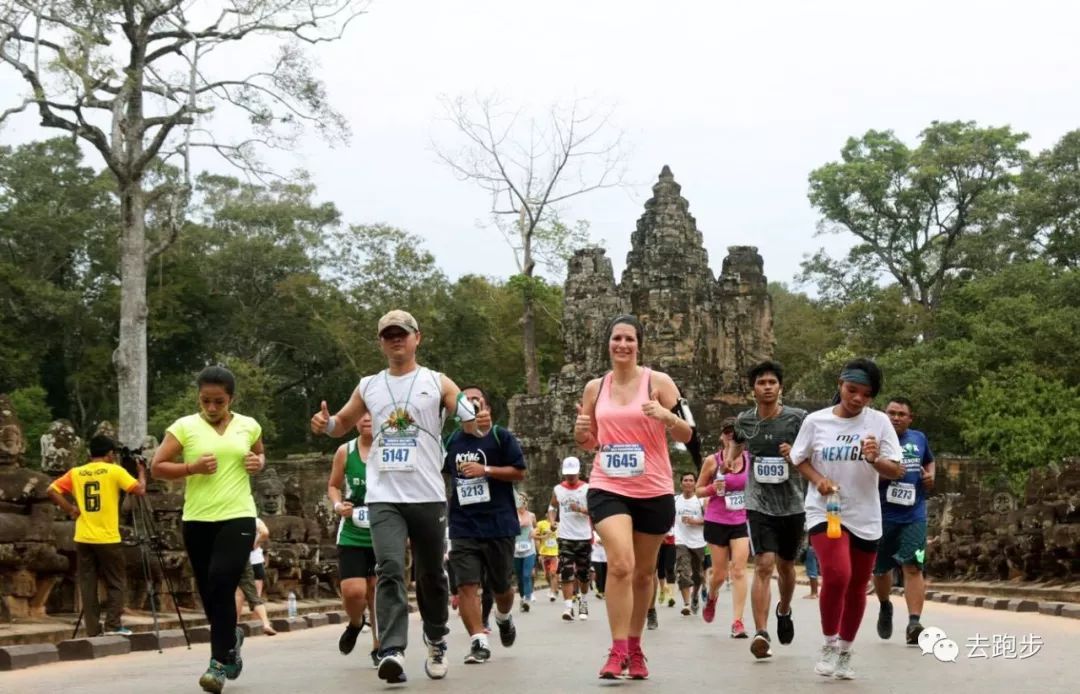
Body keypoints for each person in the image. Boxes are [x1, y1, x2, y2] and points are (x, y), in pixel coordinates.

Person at [310, 309, 479, 684]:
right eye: (388, 335)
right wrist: (325, 425)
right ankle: (392, 650)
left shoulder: (435, 381)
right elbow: (341, 423)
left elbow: (465, 415)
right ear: (380, 342)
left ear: (417, 338)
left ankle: (436, 640)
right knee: (388, 569)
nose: (396, 340)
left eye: (402, 333)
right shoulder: (369, 384)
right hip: (383, 495)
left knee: (431, 573)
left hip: (427, 495)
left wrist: (471, 414)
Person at [574, 314, 693, 680]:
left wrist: (665, 416)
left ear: (639, 344)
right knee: (621, 563)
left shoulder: (660, 382)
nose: (622, 345)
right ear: (608, 344)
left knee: (643, 574)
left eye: (629, 339)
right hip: (608, 485)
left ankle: (636, 647)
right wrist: (580, 433)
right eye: (616, 339)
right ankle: (617, 649)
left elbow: (689, 435)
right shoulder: (595, 388)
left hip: (653, 487)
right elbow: (590, 441)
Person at [151, 365, 266, 693]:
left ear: (231, 398)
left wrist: (259, 464)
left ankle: (217, 666)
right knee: (209, 591)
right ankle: (231, 639)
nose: (212, 408)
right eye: (206, 402)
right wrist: (191, 467)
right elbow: (157, 467)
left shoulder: (249, 425)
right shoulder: (184, 427)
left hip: (238, 515)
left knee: (222, 579)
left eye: (219, 401)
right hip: (198, 519)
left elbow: (259, 456)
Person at [790, 358, 904, 680]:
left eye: (865, 395)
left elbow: (896, 470)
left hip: (865, 514)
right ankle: (828, 643)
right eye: (852, 390)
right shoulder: (816, 421)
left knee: (856, 585)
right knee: (838, 574)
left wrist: (874, 458)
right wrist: (818, 481)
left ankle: (845, 650)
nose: (857, 399)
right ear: (840, 384)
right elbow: (800, 459)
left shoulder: (880, 423)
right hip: (826, 510)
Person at [727, 360, 807, 660]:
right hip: (758, 502)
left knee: (786, 567)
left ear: (780, 387)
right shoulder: (745, 420)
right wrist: (732, 459)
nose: (768, 387)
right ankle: (761, 632)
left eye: (773, 382)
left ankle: (783, 610)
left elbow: (813, 450)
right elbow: (736, 441)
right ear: (754, 390)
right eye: (762, 383)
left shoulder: (797, 419)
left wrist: (794, 453)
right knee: (763, 564)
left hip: (792, 504)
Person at [444, 385, 525, 664]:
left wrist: (486, 470)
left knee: (502, 587)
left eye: (476, 401)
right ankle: (478, 640)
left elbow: (519, 472)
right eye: (465, 401)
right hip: (463, 525)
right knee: (466, 585)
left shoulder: (501, 437)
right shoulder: (451, 441)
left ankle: (503, 617)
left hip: (499, 524)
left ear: (486, 407)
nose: (471, 405)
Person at [47, 434, 146, 637]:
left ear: (90, 453)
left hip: (83, 536)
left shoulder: (76, 472)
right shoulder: (114, 471)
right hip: (107, 537)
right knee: (116, 582)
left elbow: (52, 489)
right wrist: (142, 472)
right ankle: (113, 625)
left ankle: (92, 629)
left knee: (87, 584)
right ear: (110, 454)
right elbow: (140, 490)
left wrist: (70, 508)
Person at [873, 397, 935, 645]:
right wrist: (886, 473)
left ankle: (914, 622)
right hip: (880, 516)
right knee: (880, 569)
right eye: (891, 413)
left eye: (901, 414)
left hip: (914, 515)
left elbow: (929, 460)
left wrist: (930, 476)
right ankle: (885, 605)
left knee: (913, 566)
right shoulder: (874, 441)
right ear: (883, 415)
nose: (896, 417)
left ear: (910, 418)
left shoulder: (919, 439)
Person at [328, 414, 380, 667]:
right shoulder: (344, 451)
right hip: (352, 532)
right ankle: (356, 622)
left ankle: (380, 646)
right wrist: (339, 506)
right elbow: (333, 485)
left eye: (372, 414)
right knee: (354, 591)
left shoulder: (390, 449)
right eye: (362, 415)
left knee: (377, 591)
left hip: (383, 531)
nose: (367, 419)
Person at [696, 420, 750, 637]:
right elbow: (698, 491)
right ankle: (712, 596)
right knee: (719, 574)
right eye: (727, 433)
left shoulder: (749, 459)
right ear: (721, 436)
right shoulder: (712, 461)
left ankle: (737, 622)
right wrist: (712, 488)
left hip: (741, 520)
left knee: (738, 570)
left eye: (735, 433)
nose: (731, 437)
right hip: (717, 520)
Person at [548, 456, 592, 622]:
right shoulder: (558, 489)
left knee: (583, 574)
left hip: (583, 536)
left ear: (578, 472)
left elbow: (595, 510)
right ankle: (568, 607)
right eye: (567, 475)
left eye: (573, 474)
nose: (570, 477)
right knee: (566, 571)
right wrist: (552, 521)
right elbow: (552, 506)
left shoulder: (587, 489)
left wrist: (580, 509)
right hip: (565, 536)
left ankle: (583, 601)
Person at [234, 517, 275, 636]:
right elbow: (265, 532)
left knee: (238, 594)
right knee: (256, 594)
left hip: (241, 560)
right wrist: (255, 543)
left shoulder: (235, 520)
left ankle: (235, 624)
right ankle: (260, 623)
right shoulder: (254, 520)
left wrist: (252, 545)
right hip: (256, 561)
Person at [673, 472, 706, 616]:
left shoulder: (701, 500)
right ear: (681, 483)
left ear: (695, 483)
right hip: (681, 541)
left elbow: (710, 519)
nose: (688, 483)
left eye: (691, 480)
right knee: (682, 571)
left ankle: (694, 596)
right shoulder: (675, 500)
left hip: (698, 541)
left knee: (698, 575)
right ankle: (686, 604)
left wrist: (694, 522)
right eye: (685, 480)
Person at [513, 494, 538, 610]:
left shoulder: (531, 515)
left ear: (526, 502)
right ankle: (522, 597)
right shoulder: (512, 515)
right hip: (516, 550)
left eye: (522, 500)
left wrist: (534, 532)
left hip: (529, 549)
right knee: (519, 576)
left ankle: (527, 598)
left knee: (526, 574)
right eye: (518, 500)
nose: (520, 503)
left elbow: (537, 528)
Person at [535, 518, 560, 600]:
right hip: (544, 553)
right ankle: (553, 587)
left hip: (554, 553)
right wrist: (539, 553)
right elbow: (537, 538)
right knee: (546, 575)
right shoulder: (541, 523)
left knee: (553, 573)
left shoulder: (559, 524)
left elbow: (560, 539)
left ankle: (552, 592)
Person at [656, 527, 676, 608]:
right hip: (657, 542)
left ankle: (671, 596)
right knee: (660, 569)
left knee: (670, 568)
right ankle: (662, 590)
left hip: (670, 542)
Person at [591, 528, 608, 599]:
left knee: (605, 575)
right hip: (595, 557)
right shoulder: (593, 533)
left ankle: (604, 591)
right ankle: (599, 591)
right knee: (599, 573)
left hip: (605, 557)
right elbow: (594, 542)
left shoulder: (606, 533)